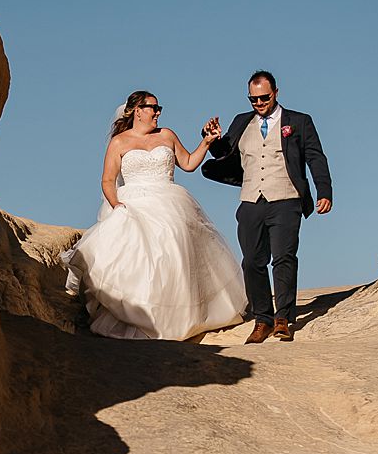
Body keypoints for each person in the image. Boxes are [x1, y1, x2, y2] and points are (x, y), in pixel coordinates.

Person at [61, 91, 247, 340]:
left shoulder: (167, 135)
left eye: (159, 108)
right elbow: (107, 180)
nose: (158, 112)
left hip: (170, 200)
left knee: (174, 246)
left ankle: (180, 318)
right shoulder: (119, 142)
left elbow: (189, 163)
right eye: (153, 108)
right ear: (138, 110)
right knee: (142, 258)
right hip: (133, 203)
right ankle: (145, 317)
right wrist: (117, 205)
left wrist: (206, 142)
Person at [200, 70, 333, 342]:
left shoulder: (299, 121)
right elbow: (224, 154)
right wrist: (213, 139)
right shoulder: (241, 122)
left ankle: (283, 318)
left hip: (286, 198)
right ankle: (263, 318)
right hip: (251, 200)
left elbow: (315, 157)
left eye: (264, 98)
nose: (259, 103)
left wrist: (324, 191)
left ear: (276, 93)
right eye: (253, 99)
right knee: (252, 261)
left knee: (283, 258)